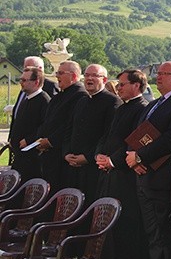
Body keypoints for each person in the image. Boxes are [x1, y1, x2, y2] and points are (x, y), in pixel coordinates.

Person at [125, 61, 171, 259]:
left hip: (162, 181)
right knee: (153, 236)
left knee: (166, 238)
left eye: (164, 74)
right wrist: (133, 157)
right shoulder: (155, 103)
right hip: (146, 177)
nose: (158, 77)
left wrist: (140, 157)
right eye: (158, 73)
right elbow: (139, 133)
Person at [95, 69, 150, 259]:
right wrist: (99, 155)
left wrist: (112, 161)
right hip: (109, 172)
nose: (118, 88)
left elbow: (133, 143)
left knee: (125, 226)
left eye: (122, 84)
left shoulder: (142, 108)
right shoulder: (121, 107)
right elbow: (107, 136)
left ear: (136, 85)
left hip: (124, 176)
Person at [65, 64, 122, 202]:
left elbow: (108, 135)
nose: (89, 78)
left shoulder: (112, 102)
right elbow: (69, 129)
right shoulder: (82, 101)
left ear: (104, 79)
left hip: (93, 167)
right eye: (87, 75)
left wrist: (88, 157)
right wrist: (66, 153)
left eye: (94, 75)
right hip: (73, 163)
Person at [37, 60, 88, 192]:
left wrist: (51, 141)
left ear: (74, 76)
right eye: (57, 73)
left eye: (60, 73)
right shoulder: (61, 94)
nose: (57, 76)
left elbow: (69, 124)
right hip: (49, 153)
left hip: (61, 154)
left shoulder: (79, 95)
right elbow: (48, 120)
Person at [8, 67, 50, 180]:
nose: (21, 83)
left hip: (32, 158)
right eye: (20, 80)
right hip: (20, 155)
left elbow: (46, 126)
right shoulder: (26, 99)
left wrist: (29, 139)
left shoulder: (44, 100)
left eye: (24, 80)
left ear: (36, 82)